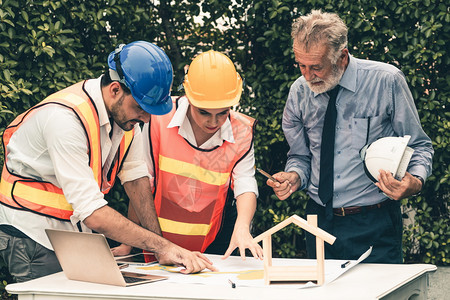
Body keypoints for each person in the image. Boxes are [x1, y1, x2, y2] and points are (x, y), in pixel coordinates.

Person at [0, 41, 216, 282]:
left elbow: (136, 181)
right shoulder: (64, 120)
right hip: (31, 234)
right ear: (115, 90)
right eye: (140, 107)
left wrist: (160, 248)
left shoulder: (127, 119)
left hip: (71, 233)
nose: (145, 117)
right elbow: (92, 212)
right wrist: (162, 246)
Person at [266, 10, 433, 263]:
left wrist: (415, 182)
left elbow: (419, 145)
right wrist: (294, 176)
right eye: (301, 65)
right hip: (318, 221)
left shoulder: (386, 81)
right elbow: (300, 156)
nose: (307, 76)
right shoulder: (299, 92)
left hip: (375, 221)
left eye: (317, 67)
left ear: (342, 56)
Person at [112, 50, 263, 260]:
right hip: (155, 240)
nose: (213, 122)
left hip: (209, 244)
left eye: (223, 113)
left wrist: (243, 227)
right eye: (204, 112)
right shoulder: (158, 119)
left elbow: (245, 184)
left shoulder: (242, 131)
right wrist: (128, 242)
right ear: (189, 98)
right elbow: (141, 182)